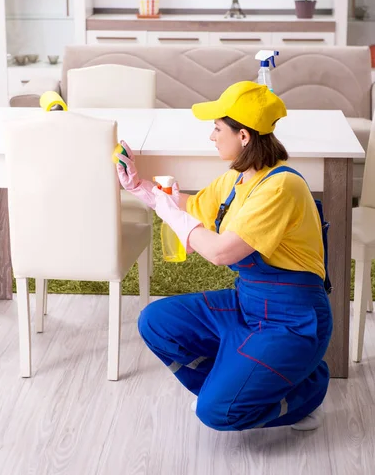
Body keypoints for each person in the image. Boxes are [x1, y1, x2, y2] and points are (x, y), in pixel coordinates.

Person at [116, 81, 333, 432]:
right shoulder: (237, 178)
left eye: (218, 128)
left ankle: (307, 388)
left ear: (244, 136)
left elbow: (220, 252)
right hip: (248, 304)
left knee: (218, 414)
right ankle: (241, 379)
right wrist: (139, 186)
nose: (212, 136)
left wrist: (168, 213)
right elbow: (187, 205)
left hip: (292, 319)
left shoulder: (281, 187)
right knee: (155, 322)